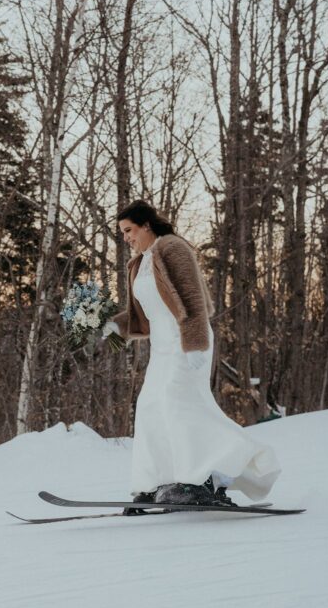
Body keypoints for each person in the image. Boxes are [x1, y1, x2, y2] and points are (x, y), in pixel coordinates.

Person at [102, 200, 280, 513]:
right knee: (149, 409)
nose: (126, 237)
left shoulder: (172, 248)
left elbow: (193, 299)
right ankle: (153, 484)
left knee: (178, 404)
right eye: (122, 233)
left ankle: (197, 481)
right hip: (161, 347)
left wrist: (195, 343)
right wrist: (112, 325)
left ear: (146, 224)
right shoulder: (137, 264)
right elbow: (142, 318)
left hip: (187, 341)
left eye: (129, 230)